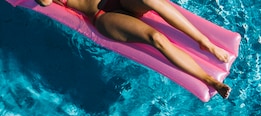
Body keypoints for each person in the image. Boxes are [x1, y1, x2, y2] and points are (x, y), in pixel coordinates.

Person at [36, 0, 231, 98]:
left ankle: (205, 42)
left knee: (151, 0)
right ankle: (209, 79)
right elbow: (44, 2)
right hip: (102, 16)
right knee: (156, 38)